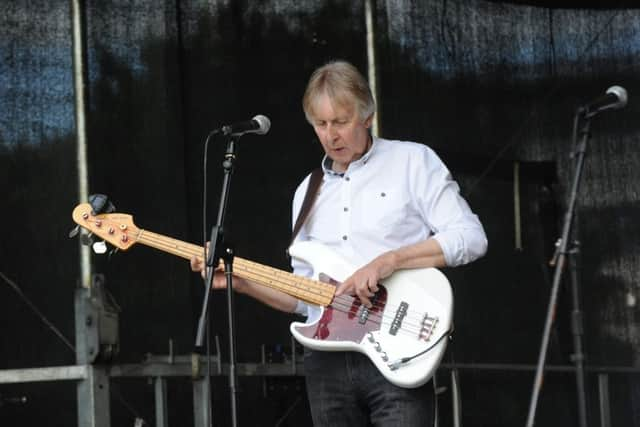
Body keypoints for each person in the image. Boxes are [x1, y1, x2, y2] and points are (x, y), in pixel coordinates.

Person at [191, 60, 487, 426]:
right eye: (321, 124)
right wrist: (241, 282)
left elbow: (470, 238)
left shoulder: (412, 161)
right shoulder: (307, 192)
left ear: (368, 116)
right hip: (327, 363)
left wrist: (389, 261)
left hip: (397, 352)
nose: (331, 135)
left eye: (341, 121)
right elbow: (306, 297)